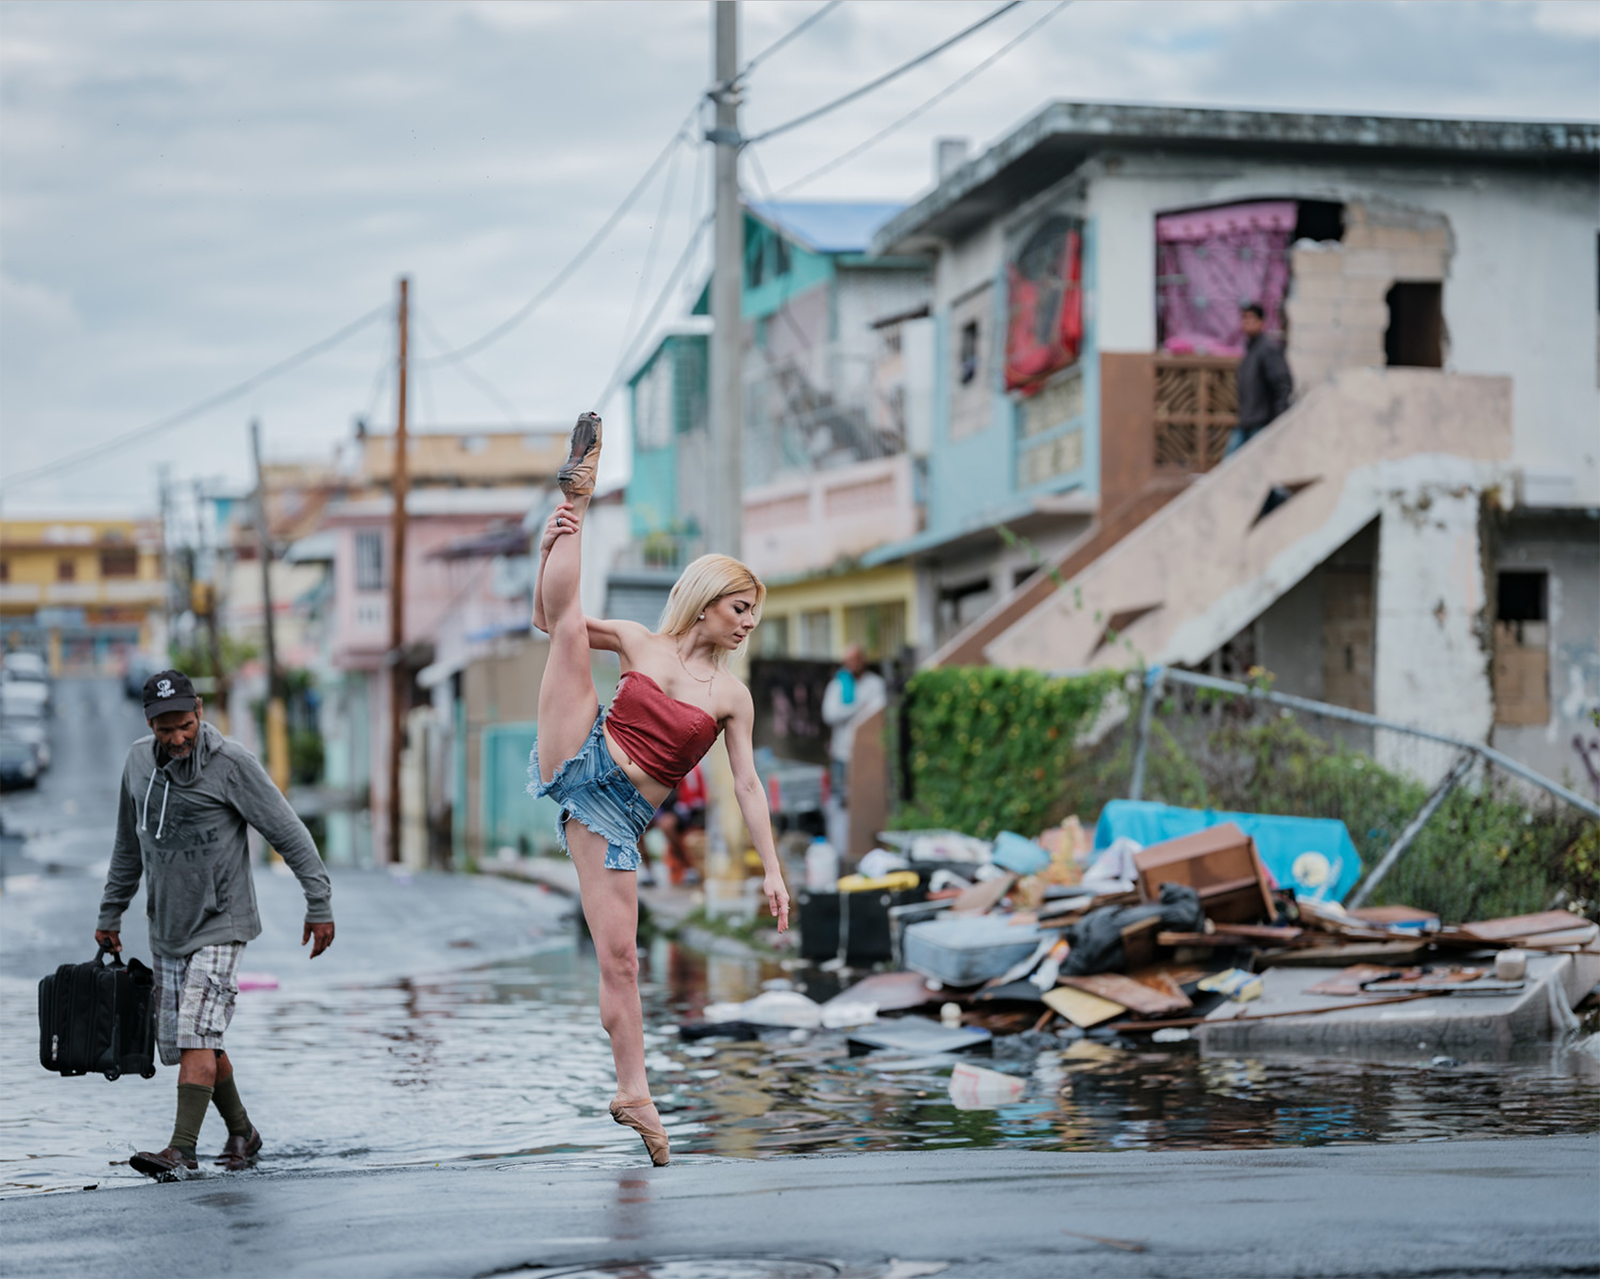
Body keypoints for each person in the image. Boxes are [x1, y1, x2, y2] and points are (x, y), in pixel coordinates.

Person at [528, 412, 788, 1167]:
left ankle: (635, 1092)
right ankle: (577, 497)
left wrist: (771, 867)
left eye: (754, 614)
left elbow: (745, 784)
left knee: (623, 959)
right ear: (708, 600)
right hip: (579, 748)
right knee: (574, 629)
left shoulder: (731, 696)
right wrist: (552, 546)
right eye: (741, 608)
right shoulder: (643, 640)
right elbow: (549, 621)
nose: (747, 624)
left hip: (616, 814)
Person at [95, 669, 335, 1179]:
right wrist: (110, 913)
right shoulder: (138, 763)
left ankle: (181, 1149)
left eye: (185, 724)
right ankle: (243, 1132)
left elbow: (288, 832)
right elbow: (126, 846)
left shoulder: (231, 765)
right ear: (148, 723)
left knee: (197, 1035)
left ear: (199, 710)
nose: (177, 738)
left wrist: (318, 902)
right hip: (167, 927)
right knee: (192, 1041)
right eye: (165, 729)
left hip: (223, 922)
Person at [820, 643, 887, 855]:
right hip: (843, 754)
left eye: (854, 661)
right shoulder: (839, 685)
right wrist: (857, 707)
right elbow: (830, 714)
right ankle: (843, 849)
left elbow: (880, 708)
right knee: (842, 801)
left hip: (870, 757)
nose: (851, 666)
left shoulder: (875, 684)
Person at [1230, 302, 1294, 455]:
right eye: (1245, 319)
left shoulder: (1268, 349)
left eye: (1252, 319)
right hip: (1247, 421)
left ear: (1262, 323)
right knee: (1231, 465)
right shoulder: (1251, 350)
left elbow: (1283, 384)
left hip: (1262, 423)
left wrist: (1278, 421)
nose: (1248, 323)